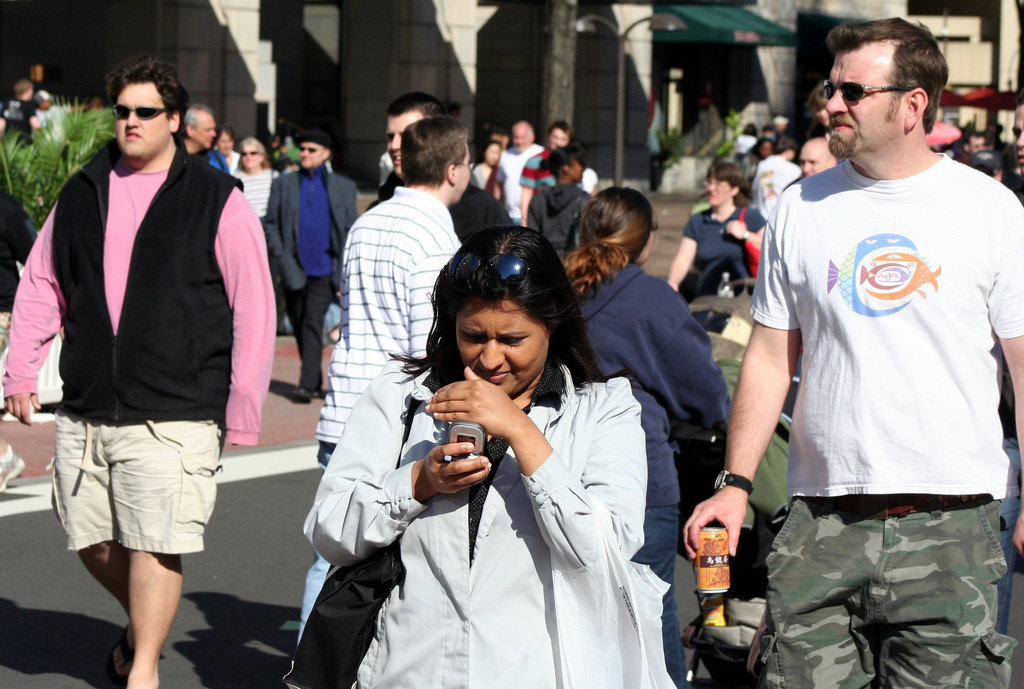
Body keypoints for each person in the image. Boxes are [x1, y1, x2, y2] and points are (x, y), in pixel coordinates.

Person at [684, 18, 1024, 688]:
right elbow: (769, 356)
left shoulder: (991, 209)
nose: (830, 103)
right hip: (820, 519)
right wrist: (734, 484)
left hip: (953, 520)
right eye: (829, 87)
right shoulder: (800, 206)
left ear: (913, 105)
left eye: (851, 90)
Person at [2, 54, 275, 688]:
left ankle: (143, 668)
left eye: (145, 112)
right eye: (121, 111)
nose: (130, 122)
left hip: (177, 405)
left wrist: (242, 405)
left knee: (153, 540)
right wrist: (20, 371)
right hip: (89, 401)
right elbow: (41, 283)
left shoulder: (216, 198)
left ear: (174, 120)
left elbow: (255, 309)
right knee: (91, 537)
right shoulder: (82, 189)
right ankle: (143, 623)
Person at [305, 224, 647, 688]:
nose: (489, 359)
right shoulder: (401, 397)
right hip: (407, 671)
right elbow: (329, 530)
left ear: (553, 324)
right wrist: (416, 483)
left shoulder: (604, 409)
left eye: (511, 340)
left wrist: (521, 431)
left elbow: (606, 551)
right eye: (473, 335)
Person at [299, 115, 469, 637]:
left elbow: (352, 312)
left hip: (345, 399)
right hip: (391, 415)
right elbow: (431, 340)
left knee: (332, 550)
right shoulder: (434, 234)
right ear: (453, 170)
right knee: (382, 556)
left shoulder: (367, 221)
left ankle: (311, 661)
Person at [564, 188, 729, 689]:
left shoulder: (555, 292)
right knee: (648, 626)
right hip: (642, 481)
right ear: (647, 240)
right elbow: (708, 397)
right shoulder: (654, 300)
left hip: (555, 470)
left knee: (571, 626)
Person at [264, 128, 358, 403]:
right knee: (300, 321)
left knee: (311, 322)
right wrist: (281, 256)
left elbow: (350, 227)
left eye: (311, 150)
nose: (304, 154)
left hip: (327, 269)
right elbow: (270, 223)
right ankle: (314, 380)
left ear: (326, 154)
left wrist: (344, 268)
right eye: (302, 149)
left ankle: (306, 385)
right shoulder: (284, 183)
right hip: (293, 268)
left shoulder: (343, 186)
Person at [374, 91, 510, 240]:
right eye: (390, 137)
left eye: (407, 135)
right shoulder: (377, 211)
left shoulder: (484, 210)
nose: (394, 145)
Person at [666, 161, 766, 298]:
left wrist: (746, 234)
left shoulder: (751, 217)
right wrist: (672, 284)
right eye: (709, 183)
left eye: (718, 184)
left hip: (744, 301)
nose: (711, 188)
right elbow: (683, 259)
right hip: (707, 299)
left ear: (734, 189)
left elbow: (772, 249)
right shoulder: (698, 220)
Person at [0, 189, 35, 492]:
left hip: (1, 311)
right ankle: (5, 455)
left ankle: (3, 457)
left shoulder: (7, 206)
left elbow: (36, 259)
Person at [526, 143, 589, 258]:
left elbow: (532, 240)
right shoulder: (585, 200)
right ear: (566, 168)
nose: (583, 168)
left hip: (545, 265)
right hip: (574, 265)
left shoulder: (538, 200)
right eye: (579, 163)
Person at [518, 120, 573, 222]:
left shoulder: (573, 165)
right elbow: (526, 193)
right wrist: (525, 221)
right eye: (555, 137)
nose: (558, 143)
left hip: (566, 219)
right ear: (549, 137)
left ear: (568, 141)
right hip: (541, 217)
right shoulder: (534, 162)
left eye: (563, 139)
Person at [496, 120, 544, 222]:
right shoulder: (506, 155)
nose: (519, 141)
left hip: (533, 215)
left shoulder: (540, 153)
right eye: (516, 138)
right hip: (509, 214)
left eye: (523, 138)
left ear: (532, 137)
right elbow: (499, 183)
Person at [750, 136, 800, 217]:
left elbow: (754, 188)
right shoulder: (794, 169)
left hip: (760, 213)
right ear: (790, 150)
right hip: (780, 214)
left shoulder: (762, 164)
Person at [183, 103, 229, 172]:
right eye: (208, 130)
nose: (214, 134)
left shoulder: (217, 161)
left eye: (214, 129)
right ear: (191, 130)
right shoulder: (170, 158)